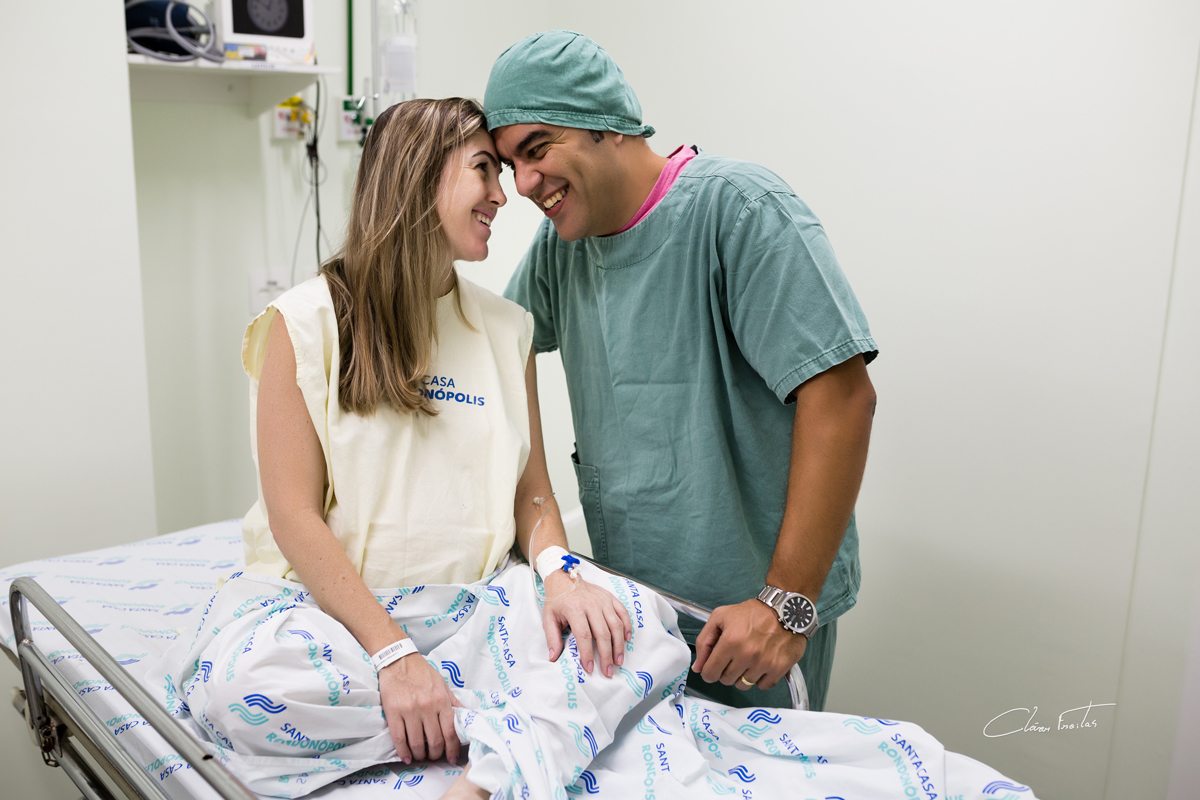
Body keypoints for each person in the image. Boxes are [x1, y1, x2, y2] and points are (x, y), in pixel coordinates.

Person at [153, 98, 634, 800]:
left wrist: (561, 574)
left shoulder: (507, 328)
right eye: (483, 170)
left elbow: (531, 493)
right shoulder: (303, 322)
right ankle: (508, 729)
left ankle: (474, 744)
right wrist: (394, 655)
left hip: (474, 614)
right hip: (335, 619)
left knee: (635, 628)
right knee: (246, 693)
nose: (502, 195)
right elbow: (293, 516)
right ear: (417, 174)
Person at [487, 31, 879, 711]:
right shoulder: (560, 250)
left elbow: (842, 400)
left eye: (537, 148)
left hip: (752, 625)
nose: (523, 184)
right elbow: (494, 351)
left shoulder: (740, 212)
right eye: (508, 164)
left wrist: (785, 606)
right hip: (637, 618)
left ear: (604, 122)